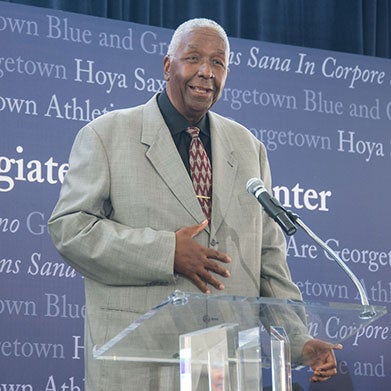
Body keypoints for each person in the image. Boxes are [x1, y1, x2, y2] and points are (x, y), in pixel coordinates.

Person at [48, 18, 341, 390]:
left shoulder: (249, 149)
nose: (206, 72)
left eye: (218, 63)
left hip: (224, 367)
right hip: (139, 364)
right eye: (193, 58)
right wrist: (167, 251)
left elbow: (269, 260)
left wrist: (300, 340)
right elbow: (71, 230)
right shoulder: (106, 135)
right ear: (168, 66)